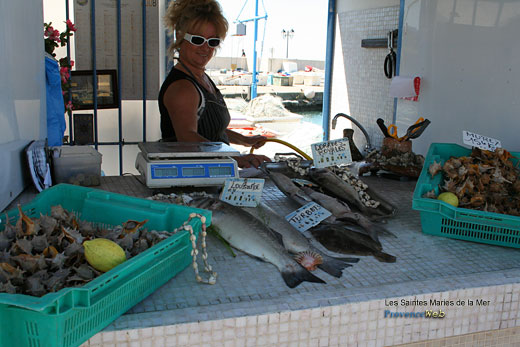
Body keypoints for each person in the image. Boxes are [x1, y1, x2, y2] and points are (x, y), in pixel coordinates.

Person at [159, 0, 270, 169]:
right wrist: (236, 158)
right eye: (197, 40)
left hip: (213, 174)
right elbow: (188, 138)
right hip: (192, 178)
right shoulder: (182, 88)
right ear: (181, 38)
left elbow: (211, 131)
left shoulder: (201, 79)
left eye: (212, 42)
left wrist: (245, 140)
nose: (205, 48)